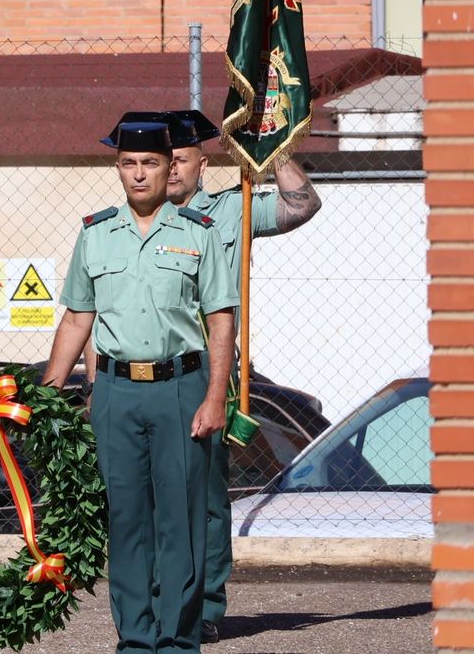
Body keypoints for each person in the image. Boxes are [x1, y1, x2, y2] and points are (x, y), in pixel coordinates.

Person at [42, 118, 236, 654]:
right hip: (115, 393)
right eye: (129, 163)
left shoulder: (197, 232)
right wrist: (49, 394)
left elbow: (221, 318)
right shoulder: (95, 232)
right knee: (126, 520)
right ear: (118, 168)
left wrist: (215, 396)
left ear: (169, 167)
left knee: (180, 521)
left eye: (150, 163)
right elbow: (77, 318)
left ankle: (176, 640)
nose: (139, 174)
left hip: (180, 388)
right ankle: (134, 638)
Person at [164, 108, 321, 643]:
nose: (169, 172)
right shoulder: (134, 219)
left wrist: (271, 153)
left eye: (180, 161)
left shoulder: (234, 209)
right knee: (151, 496)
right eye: (163, 161)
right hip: (150, 374)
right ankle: (160, 599)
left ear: (201, 164)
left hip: (209, 373)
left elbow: (304, 204)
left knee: (205, 500)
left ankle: (205, 606)